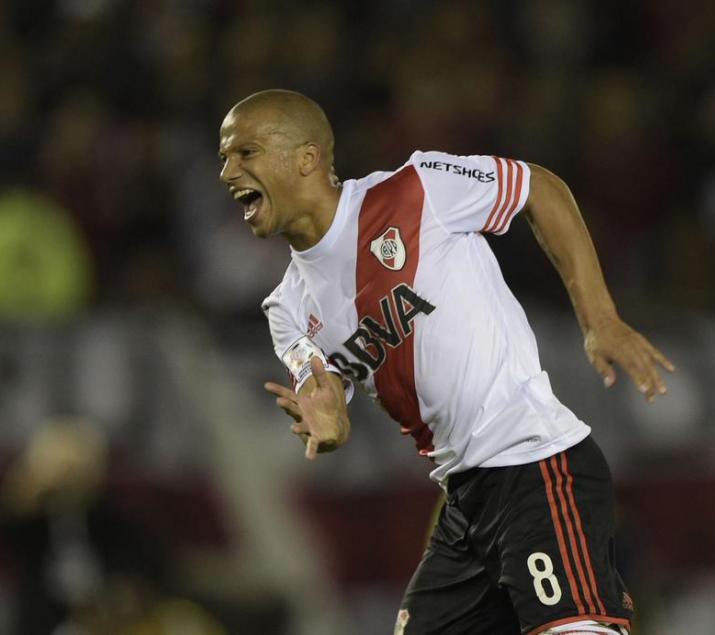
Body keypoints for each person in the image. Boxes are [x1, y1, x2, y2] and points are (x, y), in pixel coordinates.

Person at [217, 89, 674, 635]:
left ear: (307, 158)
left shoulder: (416, 189)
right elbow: (321, 391)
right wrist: (331, 423)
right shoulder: (286, 309)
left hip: (537, 464)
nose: (227, 171)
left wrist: (600, 318)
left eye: (245, 152)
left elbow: (538, 188)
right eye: (225, 156)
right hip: (466, 503)